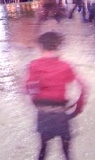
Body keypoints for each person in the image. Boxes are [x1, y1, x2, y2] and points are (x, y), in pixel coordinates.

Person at [25, 31, 88, 160]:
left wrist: (36, 102)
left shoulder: (34, 65)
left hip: (44, 113)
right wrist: (77, 108)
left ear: (40, 47)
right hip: (61, 114)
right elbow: (83, 86)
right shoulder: (65, 66)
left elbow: (30, 87)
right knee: (66, 151)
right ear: (58, 46)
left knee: (43, 149)